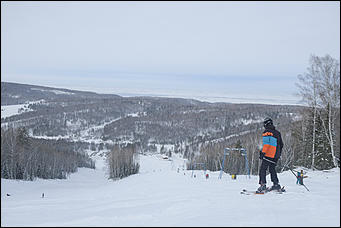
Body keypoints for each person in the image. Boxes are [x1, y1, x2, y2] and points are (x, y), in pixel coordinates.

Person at [258, 117, 284, 192]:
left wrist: (263, 153)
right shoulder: (277, 133)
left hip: (269, 155)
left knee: (263, 169)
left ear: (266, 124)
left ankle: (263, 185)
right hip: (276, 156)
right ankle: (276, 184)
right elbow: (281, 144)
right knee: (272, 169)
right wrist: (279, 154)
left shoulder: (267, 132)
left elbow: (267, 144)